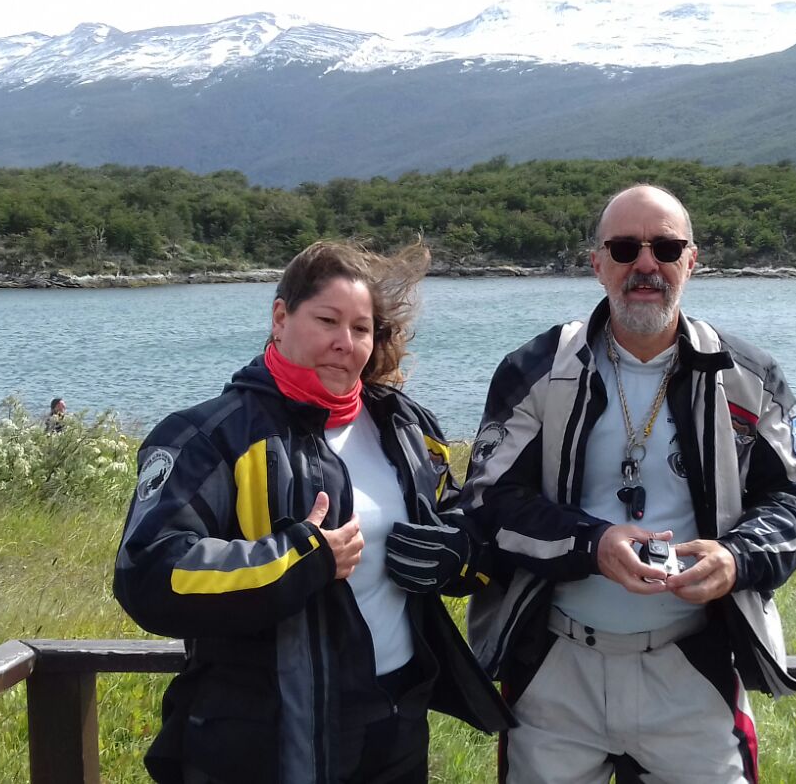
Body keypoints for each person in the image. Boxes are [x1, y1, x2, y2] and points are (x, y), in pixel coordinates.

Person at [464, 184, 796, 784]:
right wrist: (591, 545)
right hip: (556, 671)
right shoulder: (536, 370)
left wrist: (736, 559)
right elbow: (487, 502)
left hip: (692, 667)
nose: (645, 265)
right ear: (597, 263)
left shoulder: (746, 377)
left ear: (692, 260)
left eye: (665, 248)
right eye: (624, 248)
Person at [114, 240, 511, 784]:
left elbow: (464, 522)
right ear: (281, 318)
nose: (344, 342)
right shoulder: (208, 437)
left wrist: (456, 555)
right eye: (327, 320)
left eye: (361, 328)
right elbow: (148, 573)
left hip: (396, 721)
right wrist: (300, 557)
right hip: (263, 737)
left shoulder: (407, 427)